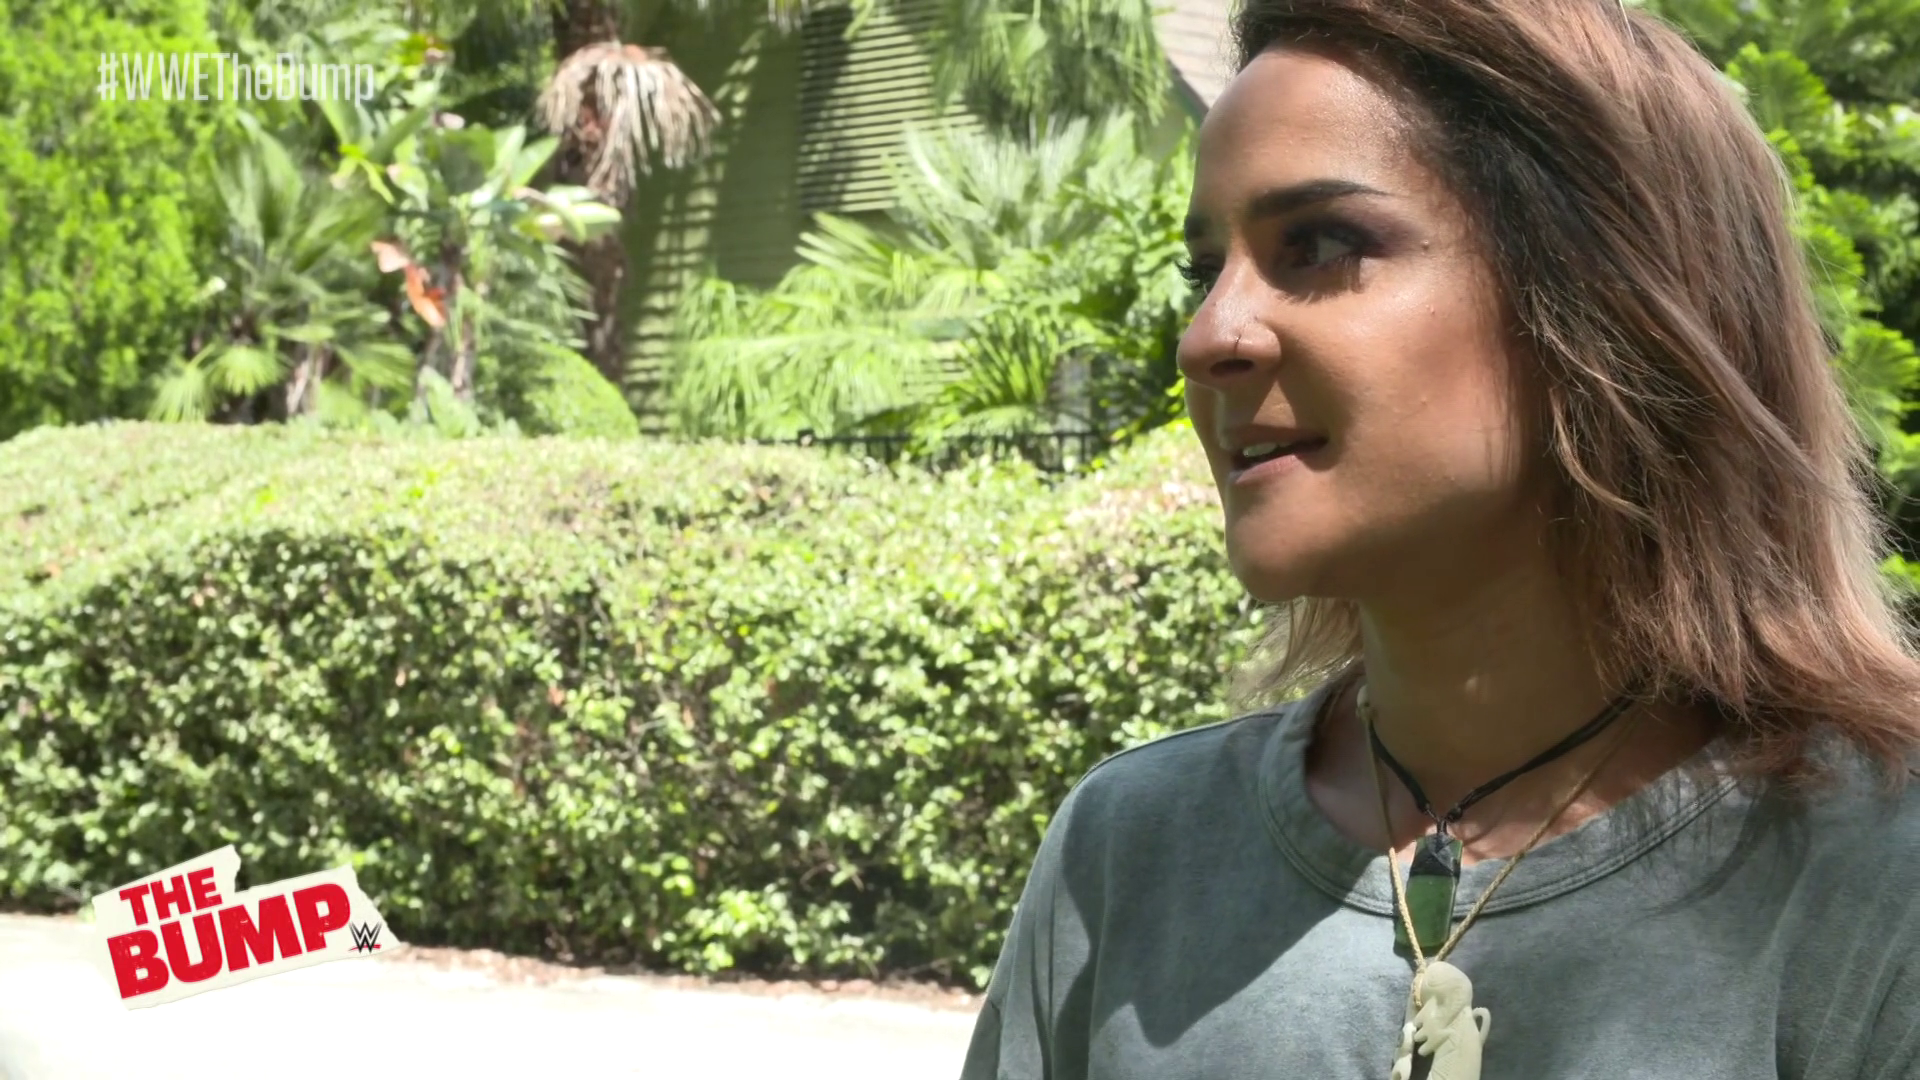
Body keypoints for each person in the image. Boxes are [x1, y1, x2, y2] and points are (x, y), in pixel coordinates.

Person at [957, 1, 1920, 1077]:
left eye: (1320, 245)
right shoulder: (1128, 854)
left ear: (1604, 300)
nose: (1207, 336)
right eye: (1205, 269)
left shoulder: (1879, 877)